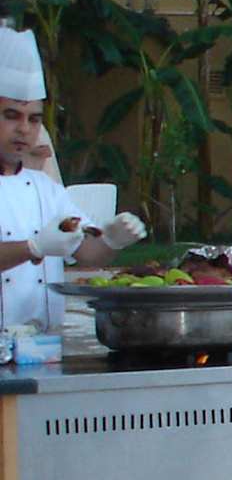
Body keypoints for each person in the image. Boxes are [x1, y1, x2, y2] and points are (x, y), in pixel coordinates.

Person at [0, 29, 148, 329]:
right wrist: (33, 247)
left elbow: (87, 253)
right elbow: (42, 246)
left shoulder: (46, 189)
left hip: (42, 344)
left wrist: (112, 240)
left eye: (34, 119)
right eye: (11, 115)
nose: (24, 129)